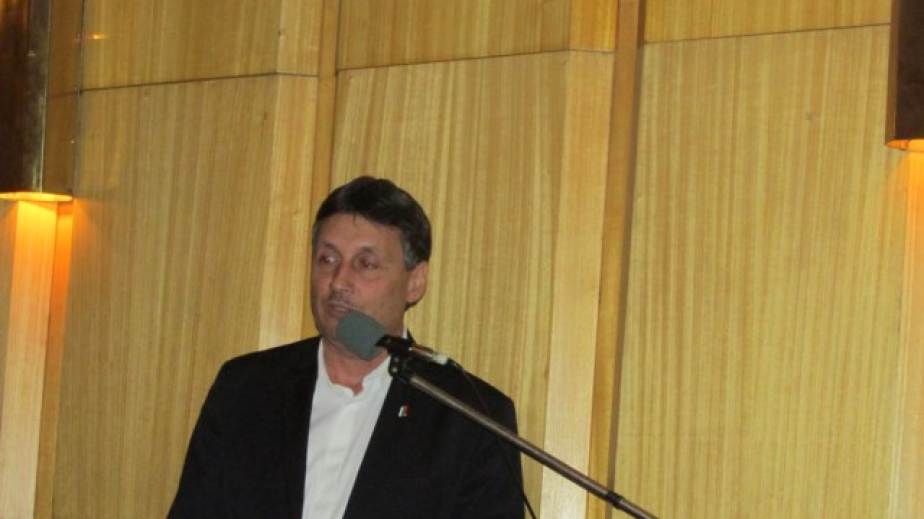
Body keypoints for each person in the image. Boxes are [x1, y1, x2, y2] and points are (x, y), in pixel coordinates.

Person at [167, 176, 524, 519]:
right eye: (328, 259)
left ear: (415, 282)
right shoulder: (245, 389)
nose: (339, 281)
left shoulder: (470, 417)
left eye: (365, 264)